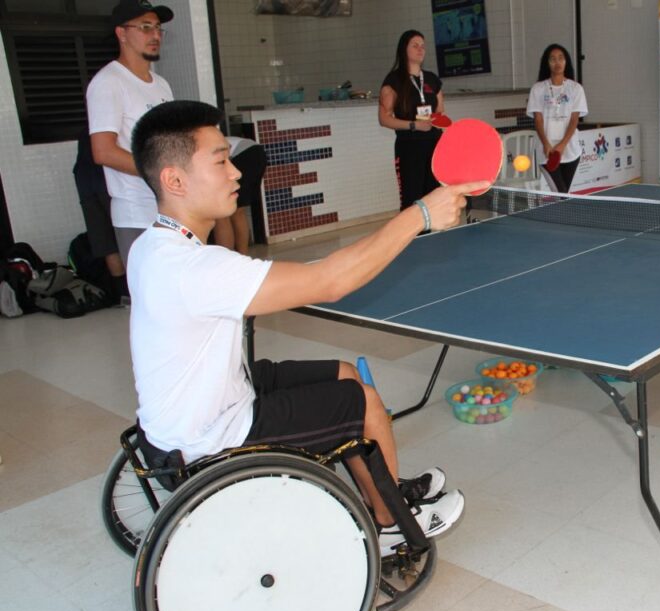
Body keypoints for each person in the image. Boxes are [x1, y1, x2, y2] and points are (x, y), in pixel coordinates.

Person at [128, 100, 488, 553]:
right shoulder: (195, 269)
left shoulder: (152, 246)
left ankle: (384, 487)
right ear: (174, 180)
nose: (237, 173)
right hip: (208, 438)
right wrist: (422, 215)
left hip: (189, 413)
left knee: (343, 372)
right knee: (364, 402)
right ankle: (389, 525)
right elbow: (331, 282)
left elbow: (302, 276)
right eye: (220, 161)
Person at [86, 0, 174, 269]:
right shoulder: (108, 83)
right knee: (152, 301)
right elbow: (103, 151)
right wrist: (161, 174)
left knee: (177, 299)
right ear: (121, 33)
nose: (155, 35)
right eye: (145, 27)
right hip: (137, 213)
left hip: (170, 208)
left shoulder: (161, 84)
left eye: (158, 28)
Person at [378, 30, 445, 214]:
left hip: (433, 145)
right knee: (412, 198)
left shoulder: (432, 79)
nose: (420, 49)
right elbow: (384, 119)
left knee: (434, 195)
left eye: (422, 46)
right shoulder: (394, 81)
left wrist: (441, 122)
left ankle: (434, 237)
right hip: (409, 147)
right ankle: (413, 239)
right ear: (403, 49)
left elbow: (440, 111)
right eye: (415, 45)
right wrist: (414, 125)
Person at [73, 129, 130, 302]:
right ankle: (138, 292)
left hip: (85, 177)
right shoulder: (117, 127)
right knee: (129, 235)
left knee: (107, 243)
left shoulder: (91, 128)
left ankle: (124, 295)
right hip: (110, 177)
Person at [526, 44, 588, 194]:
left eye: (561, 58)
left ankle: (565, 216)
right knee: (561, 193)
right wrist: (546, 144)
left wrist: (562, 145)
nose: (557, 62)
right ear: (547, 63)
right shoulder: (538, 89)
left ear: (566, 62)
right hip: (547, 151)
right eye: (552, 59)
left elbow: (574, 120)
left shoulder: (576, 89)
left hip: (570, 150)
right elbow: (538, 119)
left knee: (563, 194)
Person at [211, 137, 267, 255]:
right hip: (257, 152)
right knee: (238, 211)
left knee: (221, 214)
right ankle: (243, 254)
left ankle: (227, 257)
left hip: (243, 155)